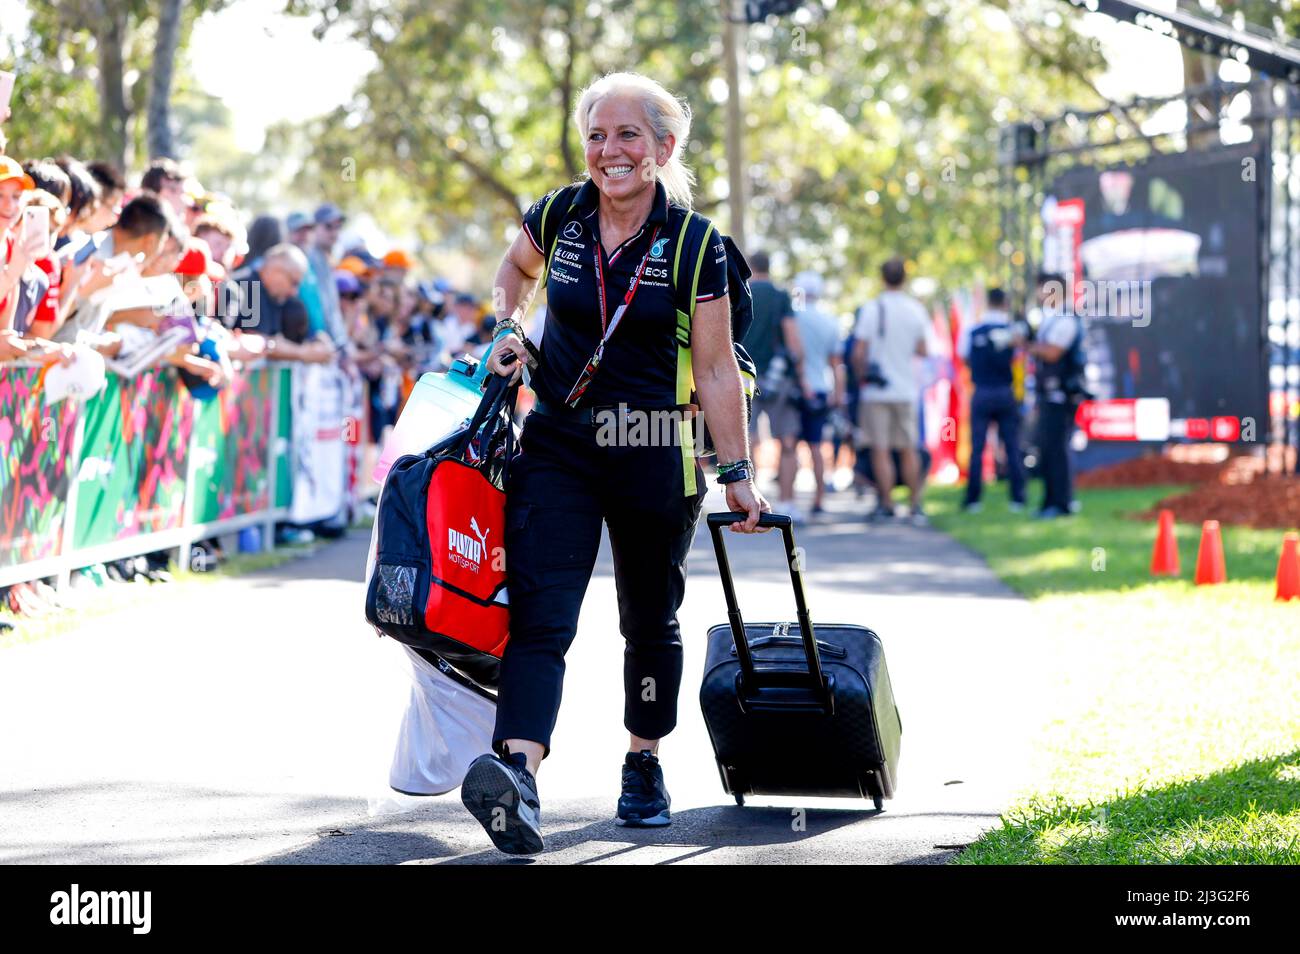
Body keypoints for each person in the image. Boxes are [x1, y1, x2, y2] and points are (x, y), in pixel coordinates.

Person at [463, 71, 768, 855]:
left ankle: (643, 761)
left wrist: (736, 474)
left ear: (664, 148)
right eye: (597, 135)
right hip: (560, 442)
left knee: (648, 619)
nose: (610, 150)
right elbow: (513, 272)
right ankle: (518, 774)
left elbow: (714, 368)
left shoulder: (697, 245)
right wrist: (507, 326)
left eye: (629, 135)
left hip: (654, 448)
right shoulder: (561, 213)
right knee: (541, 614)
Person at [852, 256, 931, 525]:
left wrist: (863, 374)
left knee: (881, 449)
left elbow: (859, 351)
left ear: (882, 277)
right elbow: (923, 349)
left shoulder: (873, 309)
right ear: (904, 278)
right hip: (906, 389)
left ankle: (886, 504)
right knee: (909, 448)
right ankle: (915, 504)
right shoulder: (915, 309)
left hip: (877, 392)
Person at [742, 250, 805, 517]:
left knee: (748, 439)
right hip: (779, 378)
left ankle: (750, 501)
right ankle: (788, 501)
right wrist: (800, 373)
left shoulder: (739, 291)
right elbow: (792, 340)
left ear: (750, 266)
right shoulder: (780, 296)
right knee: (787, 440)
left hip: (743, 376)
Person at [959, 287, 1026, 513]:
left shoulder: (972, 331)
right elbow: (1019, 358)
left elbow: (965, 358)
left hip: (982, 392)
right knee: (1012, 446)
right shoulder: (1013, 331)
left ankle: (973, 500)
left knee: (977, 448)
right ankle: (1018, 498)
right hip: (1004, 392)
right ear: (1005, 303)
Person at [1028, 272, 1085, 519]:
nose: (1040, 294)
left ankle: (1061, 503)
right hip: (1047, 395)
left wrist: (1026, 345)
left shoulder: (1065, 319)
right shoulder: (1049, 319)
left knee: (1057, 449)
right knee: (1047, 448)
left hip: (1061, 396)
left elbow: (1052, 353)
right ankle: (1050, 501)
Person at [790, 270, 844, 516]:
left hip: (794, 388)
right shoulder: (830, 321)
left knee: (788, 445)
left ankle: (787, 499)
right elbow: (836, 363)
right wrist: (839, 393)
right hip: (820, 388)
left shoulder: (791, 318)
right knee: (816, 446)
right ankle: (819, 499)